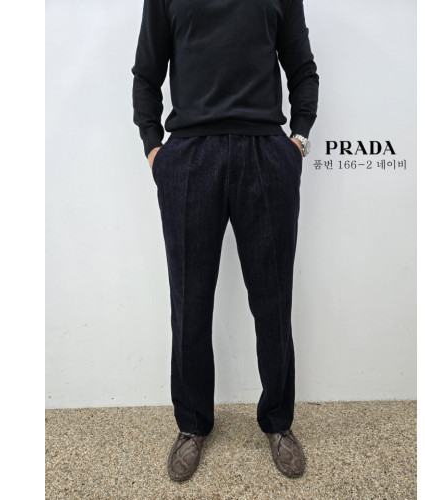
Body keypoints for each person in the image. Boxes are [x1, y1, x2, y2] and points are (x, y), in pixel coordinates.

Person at [131, 0, 319, 481]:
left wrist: (297, 141)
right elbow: (146, 75)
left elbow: (302, 68)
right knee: (189, 303)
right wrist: (155, 150)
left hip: (265, 154)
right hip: (189, 157)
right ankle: (192, 424)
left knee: (273, 301)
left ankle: (277, 422)